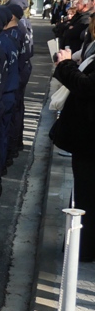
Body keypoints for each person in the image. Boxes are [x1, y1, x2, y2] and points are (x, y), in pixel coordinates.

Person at [51, 46, 95, 264]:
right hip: (86, 141)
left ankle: (83, 247)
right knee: (83, 191)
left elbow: (87, 87)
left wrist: (66, 65)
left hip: (90, 142)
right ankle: (80, 245)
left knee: (87, 194)